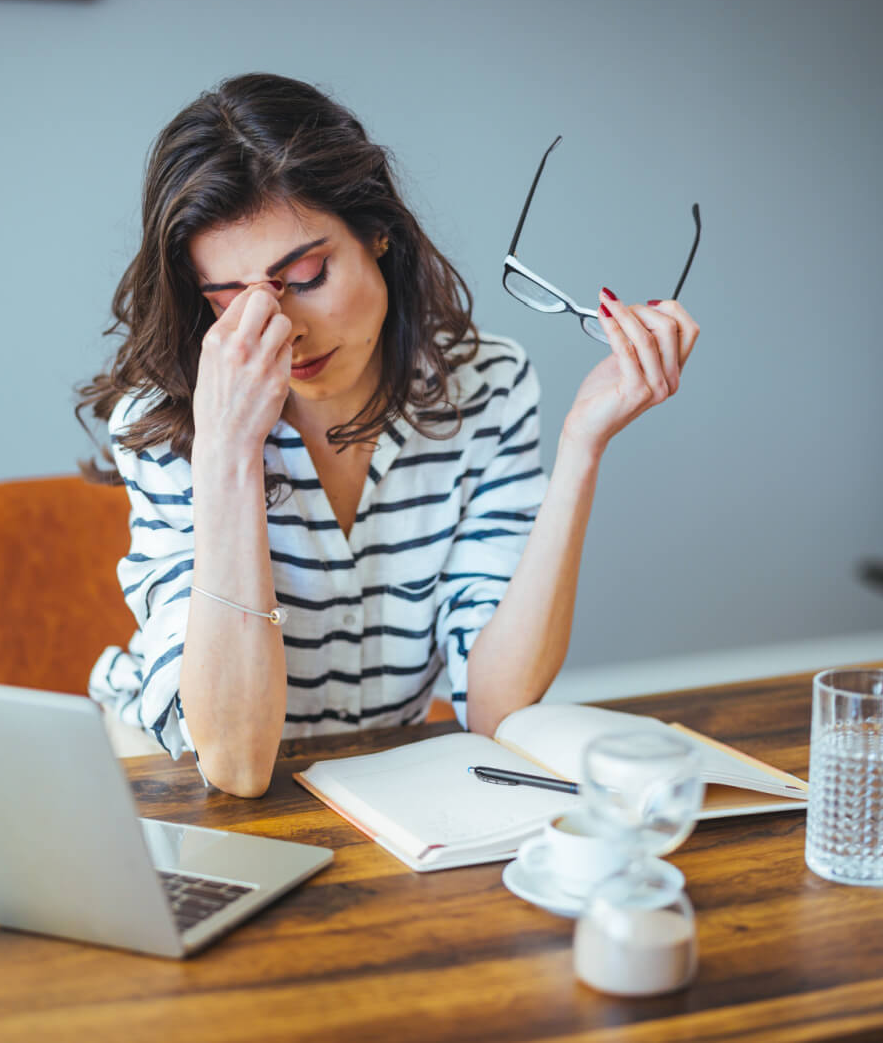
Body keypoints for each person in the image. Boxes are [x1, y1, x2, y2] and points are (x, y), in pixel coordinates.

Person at [80, 73, 698, 798]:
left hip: (376, 787)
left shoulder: (485, 387)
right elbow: (238, 765)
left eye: (306, 276)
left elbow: (498, 708)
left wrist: (582, 450)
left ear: (378, 231)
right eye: (231, 303)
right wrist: (227, 456)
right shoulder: (170, 426)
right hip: (170, 782)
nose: (284, 331)